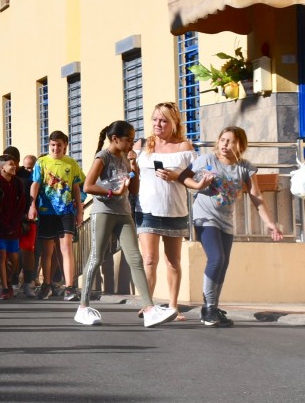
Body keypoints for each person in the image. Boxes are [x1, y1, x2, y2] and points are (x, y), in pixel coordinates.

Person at [75, 121, 179, 327]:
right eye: (129, 140)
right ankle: (83, 307)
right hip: (103, 212)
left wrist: (135, 168)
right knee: (96, 257)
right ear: (115, 139)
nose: (132, 144)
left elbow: (134, 190)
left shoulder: (125, 157)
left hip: (123, 213)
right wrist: (111, 192)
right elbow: (87, 186)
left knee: (136, 259)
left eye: (133, 139)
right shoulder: (102, 157)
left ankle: (149, 309)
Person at [183, 126, 284, 326]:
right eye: (223, 140)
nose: (225, 145)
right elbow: (183, 176)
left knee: (223, 264)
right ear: (218, 142)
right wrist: (197, 186)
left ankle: (213, 306)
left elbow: (256, 196)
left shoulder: (244, 167)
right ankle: (208, 308)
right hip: (205, 216)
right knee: (216, 258)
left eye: (231, 141)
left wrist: (270, 224)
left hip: (225, 220)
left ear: (241, 145)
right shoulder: (207, 161)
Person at [136, 102, 196, 318]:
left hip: (175, 210)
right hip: (147, 209)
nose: (158, 124)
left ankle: (172, 306)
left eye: (163, 120)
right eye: (154, 119)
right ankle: (148, 305)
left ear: (174, 123)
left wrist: (176, 176)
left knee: (173, 261)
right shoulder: (143, 145)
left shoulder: (184, 148)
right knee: (149, 259)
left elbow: (195, 177)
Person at [29, 131, 85, 301]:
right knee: (47, 250)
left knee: (66, 247)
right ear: (49, 145)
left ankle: (69, 287)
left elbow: (77, 187)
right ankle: (46, 284)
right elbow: (35, 184)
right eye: (52, 145)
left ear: (65, 145)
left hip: (66, 211)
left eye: (59, 145)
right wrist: (32, 205)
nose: (55, 148)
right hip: (47, 211)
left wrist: (80, 210)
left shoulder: (71, 163)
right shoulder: (42, 162)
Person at [0, 154, 28, 300]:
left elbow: (21, 204)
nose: (14, 166)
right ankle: (5, 287)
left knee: (14, 257)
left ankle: (10, 279)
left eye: (14, 164)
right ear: (2, 168)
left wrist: (14, 223)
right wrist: (5, 224)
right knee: (1, 255)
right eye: (11, 164)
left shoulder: (18, 182)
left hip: (14, 226)